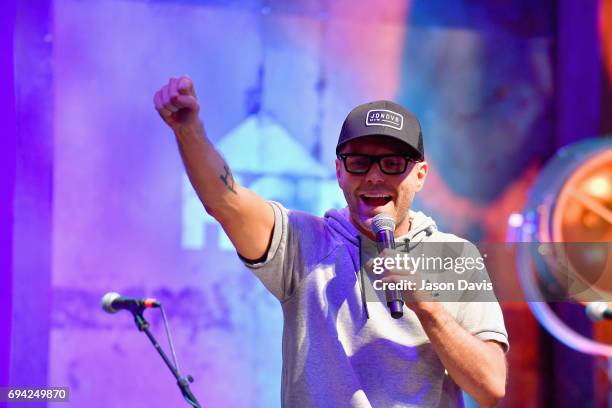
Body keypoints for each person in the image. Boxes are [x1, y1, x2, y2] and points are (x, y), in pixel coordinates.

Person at [154, 76, 509, 407]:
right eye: (359, 162)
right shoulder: (303, 241)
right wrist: (189, 130)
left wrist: (428, 307)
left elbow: (490, 387)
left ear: (419, 175)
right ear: (339, 171)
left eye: (392, 163)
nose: (373, 176)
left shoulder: (453, 256)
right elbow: (224, 201)